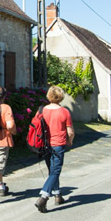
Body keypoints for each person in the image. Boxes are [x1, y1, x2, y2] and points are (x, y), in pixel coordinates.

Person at [35, 85, 75, 213]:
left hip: (45, 144)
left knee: (52, 170)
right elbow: (70, 131)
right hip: (58, 144)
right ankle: (44, 196)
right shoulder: (64, 112)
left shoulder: (42, 110)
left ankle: (57, 195)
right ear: (61, 97)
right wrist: (70, 141)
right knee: (55, 171)